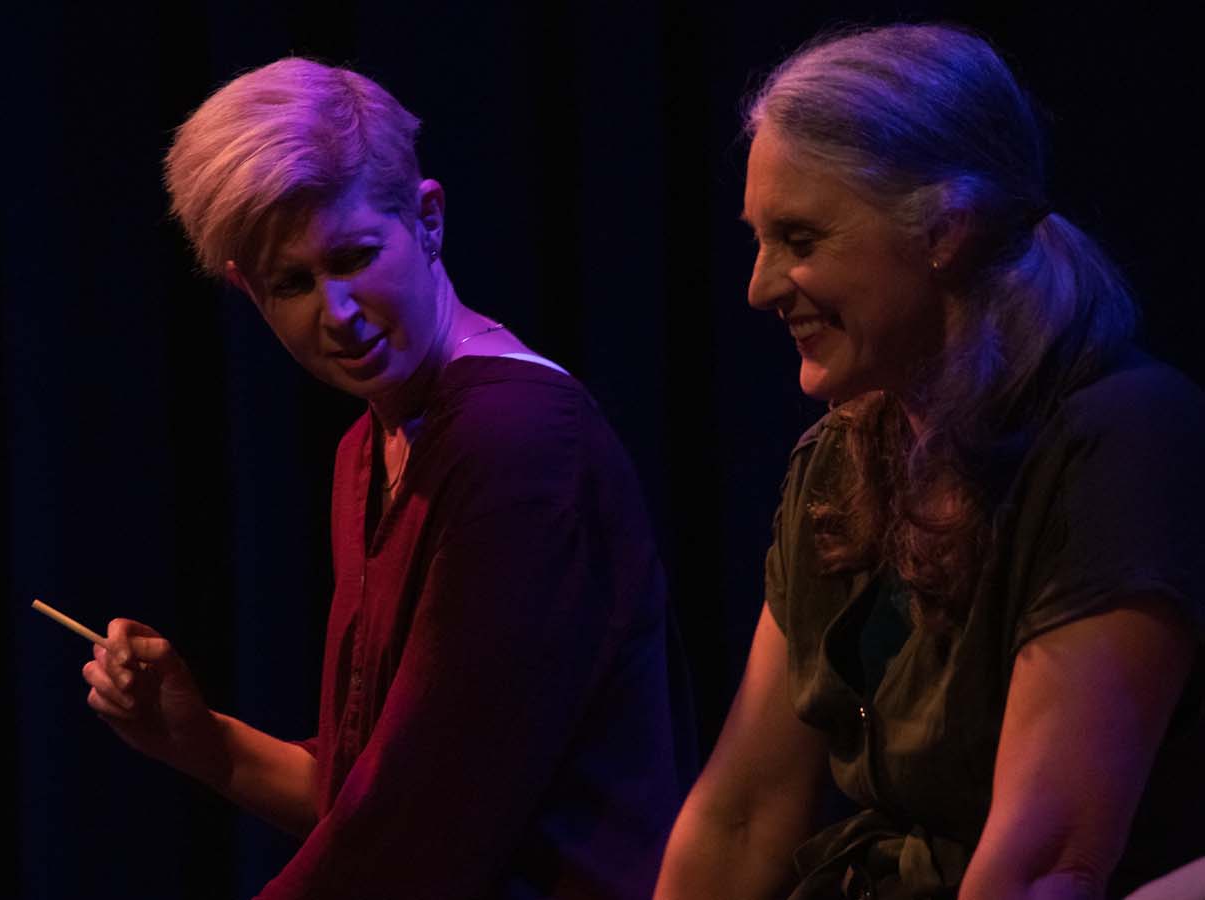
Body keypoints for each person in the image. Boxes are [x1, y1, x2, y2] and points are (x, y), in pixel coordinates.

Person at [81, 57, 687, 899]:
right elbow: (371, 798)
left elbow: (418, 830)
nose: (336, 311)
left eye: (355, 256)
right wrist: (204, 743)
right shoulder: (369, 450)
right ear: (248, 292)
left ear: (428, 219)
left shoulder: (514, 438)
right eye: (293, 283)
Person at [654, 23, 1205, 900]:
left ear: (946, 230)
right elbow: (743, 816)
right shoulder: (841, 460)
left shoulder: (1122, 443)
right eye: (758, 239)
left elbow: (1043, 868)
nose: (759, 287)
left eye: (800, 239)